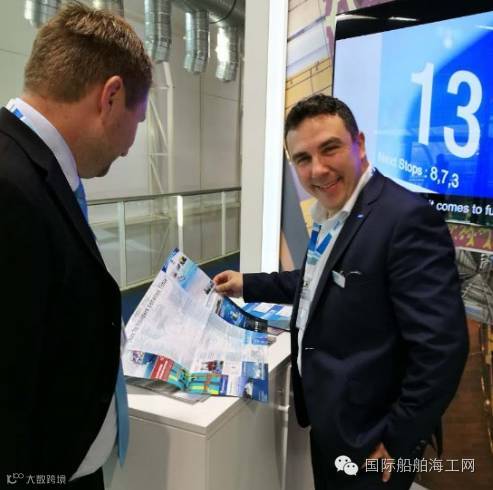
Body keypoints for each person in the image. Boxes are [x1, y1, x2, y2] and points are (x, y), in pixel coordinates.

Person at [214, 94, 469, 489]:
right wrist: (247, 283)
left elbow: (443, 349)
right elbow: (314, 282)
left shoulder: (405, 219)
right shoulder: (332, 212)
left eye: (329, 148)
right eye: (302, 158)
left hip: (371, 442)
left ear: (359, 144)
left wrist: (397, 440)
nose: (317, 169)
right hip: (333, 425)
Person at [0, 3, 152, 488]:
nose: (130, 145)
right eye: (138, 120)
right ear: (111, 96)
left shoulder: (36, 170)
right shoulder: (11, 187)